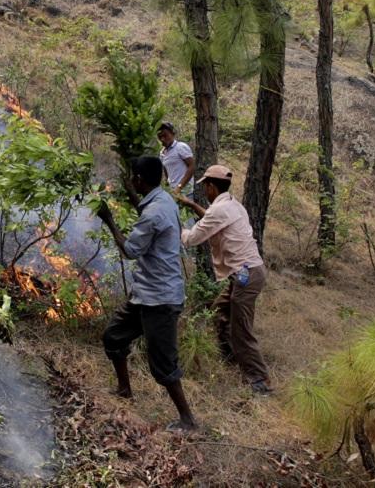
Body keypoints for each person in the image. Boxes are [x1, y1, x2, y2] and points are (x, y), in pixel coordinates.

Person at [96, 156, 198, 432]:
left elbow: (130, 250)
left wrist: (108, 220)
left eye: (133, 178)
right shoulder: (162, 199)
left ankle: (188, 420)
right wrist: (129, 192)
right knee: (113, 337)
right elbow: (144, 212)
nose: (131, 181)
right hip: (146, 294)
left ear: (141, 180)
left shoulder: (154, 212)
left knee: (163, 366)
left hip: (160, 299)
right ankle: (124, 390)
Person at [177, 165, 273, 395]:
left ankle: (259, 380)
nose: (205, 192)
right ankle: (232, 358)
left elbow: (190, 239)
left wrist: (173, 224)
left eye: (205, 187)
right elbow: (213, 220)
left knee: (242, 329)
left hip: (245, 276)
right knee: (221, 313)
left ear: (211, 186)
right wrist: (191, 205)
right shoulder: (233, 205)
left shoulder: (218, 211)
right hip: (249, 273)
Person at [157, 122, 195, 195]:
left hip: (187, 192)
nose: (162, 139)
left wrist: (179, 187)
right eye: (160, 137)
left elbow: (192, 166)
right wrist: (167, 185)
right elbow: (166, 170)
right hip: (173, 192)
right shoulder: (162, 153)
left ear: (172, 134)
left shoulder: (180, 147)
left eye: (165, 135)